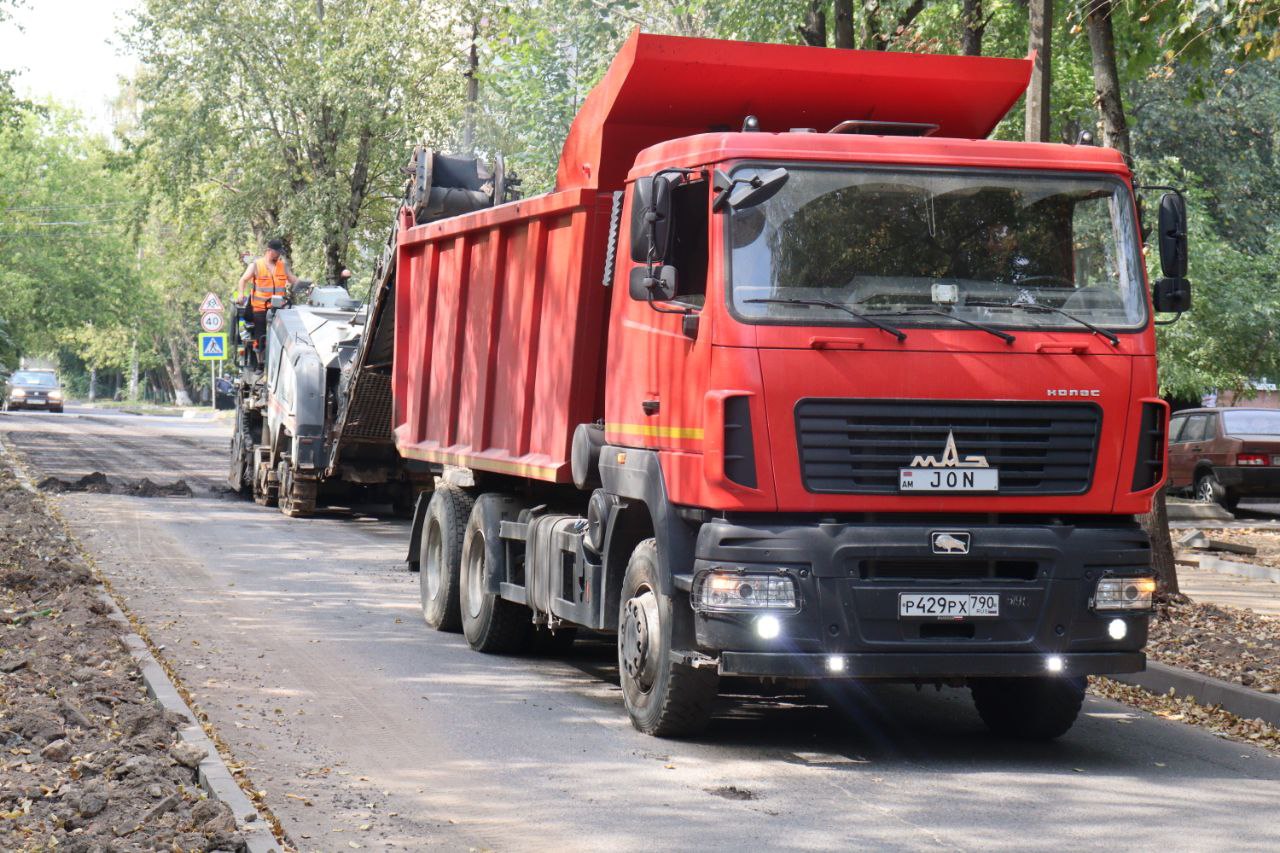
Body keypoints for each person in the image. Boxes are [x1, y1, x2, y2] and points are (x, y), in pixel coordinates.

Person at [236, 239, 299, 366]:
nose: (279, 255)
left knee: (283, 334)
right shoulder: (256, 265)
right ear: (269, 251)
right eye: (277, 252)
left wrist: (307, 285)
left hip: (278, 308)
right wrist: (241, 294)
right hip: (259, 308)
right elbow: (243, 280)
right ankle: (260, 362)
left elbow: (293, 279)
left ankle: (282, 361)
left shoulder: (282, 266)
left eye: (280, 253)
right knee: (261, 336)